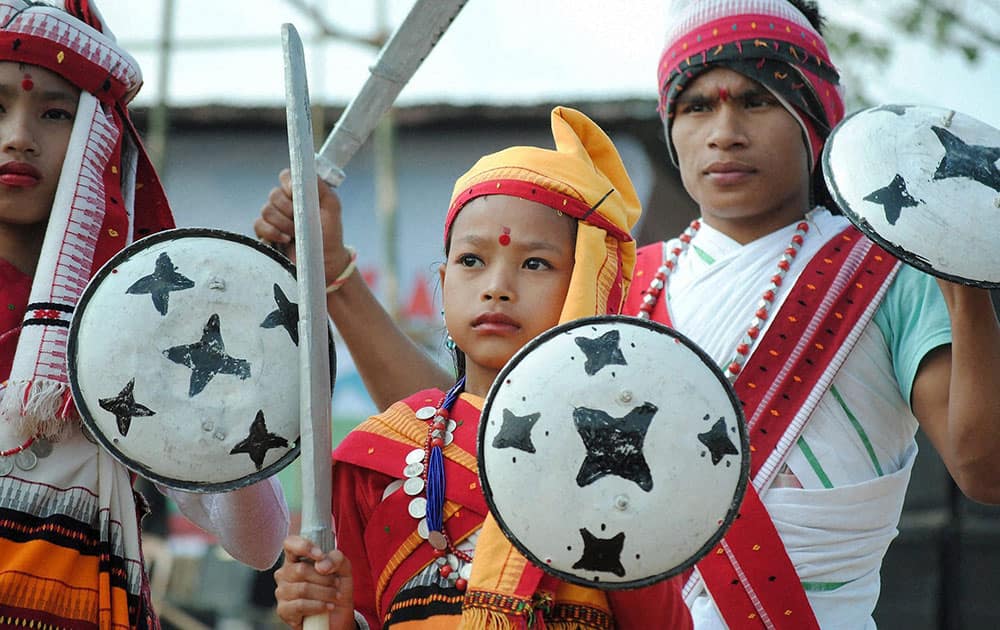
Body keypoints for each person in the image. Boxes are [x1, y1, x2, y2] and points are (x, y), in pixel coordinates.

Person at [256, 2, 1000, 627]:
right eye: (697, 105)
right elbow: (475, 441)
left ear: (815, 115)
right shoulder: (623, 285)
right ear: (670, 125)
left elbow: (985, 472)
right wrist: (337, 277)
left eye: (757, 100)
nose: (724, 131)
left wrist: (962, 269)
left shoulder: (889, 277)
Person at [271, 107, 692, 629]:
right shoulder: (380, 457)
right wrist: (332, 618)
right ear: (444, 282)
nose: (497, 285)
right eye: (472, 261)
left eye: (535, 264)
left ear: (589, 284)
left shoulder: (626, 462)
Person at [0, 1, 288, 627]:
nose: (18, 136)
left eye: (54, 113)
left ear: (96, 142)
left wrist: (220, 369)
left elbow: (259, 542)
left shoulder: (135, 319)